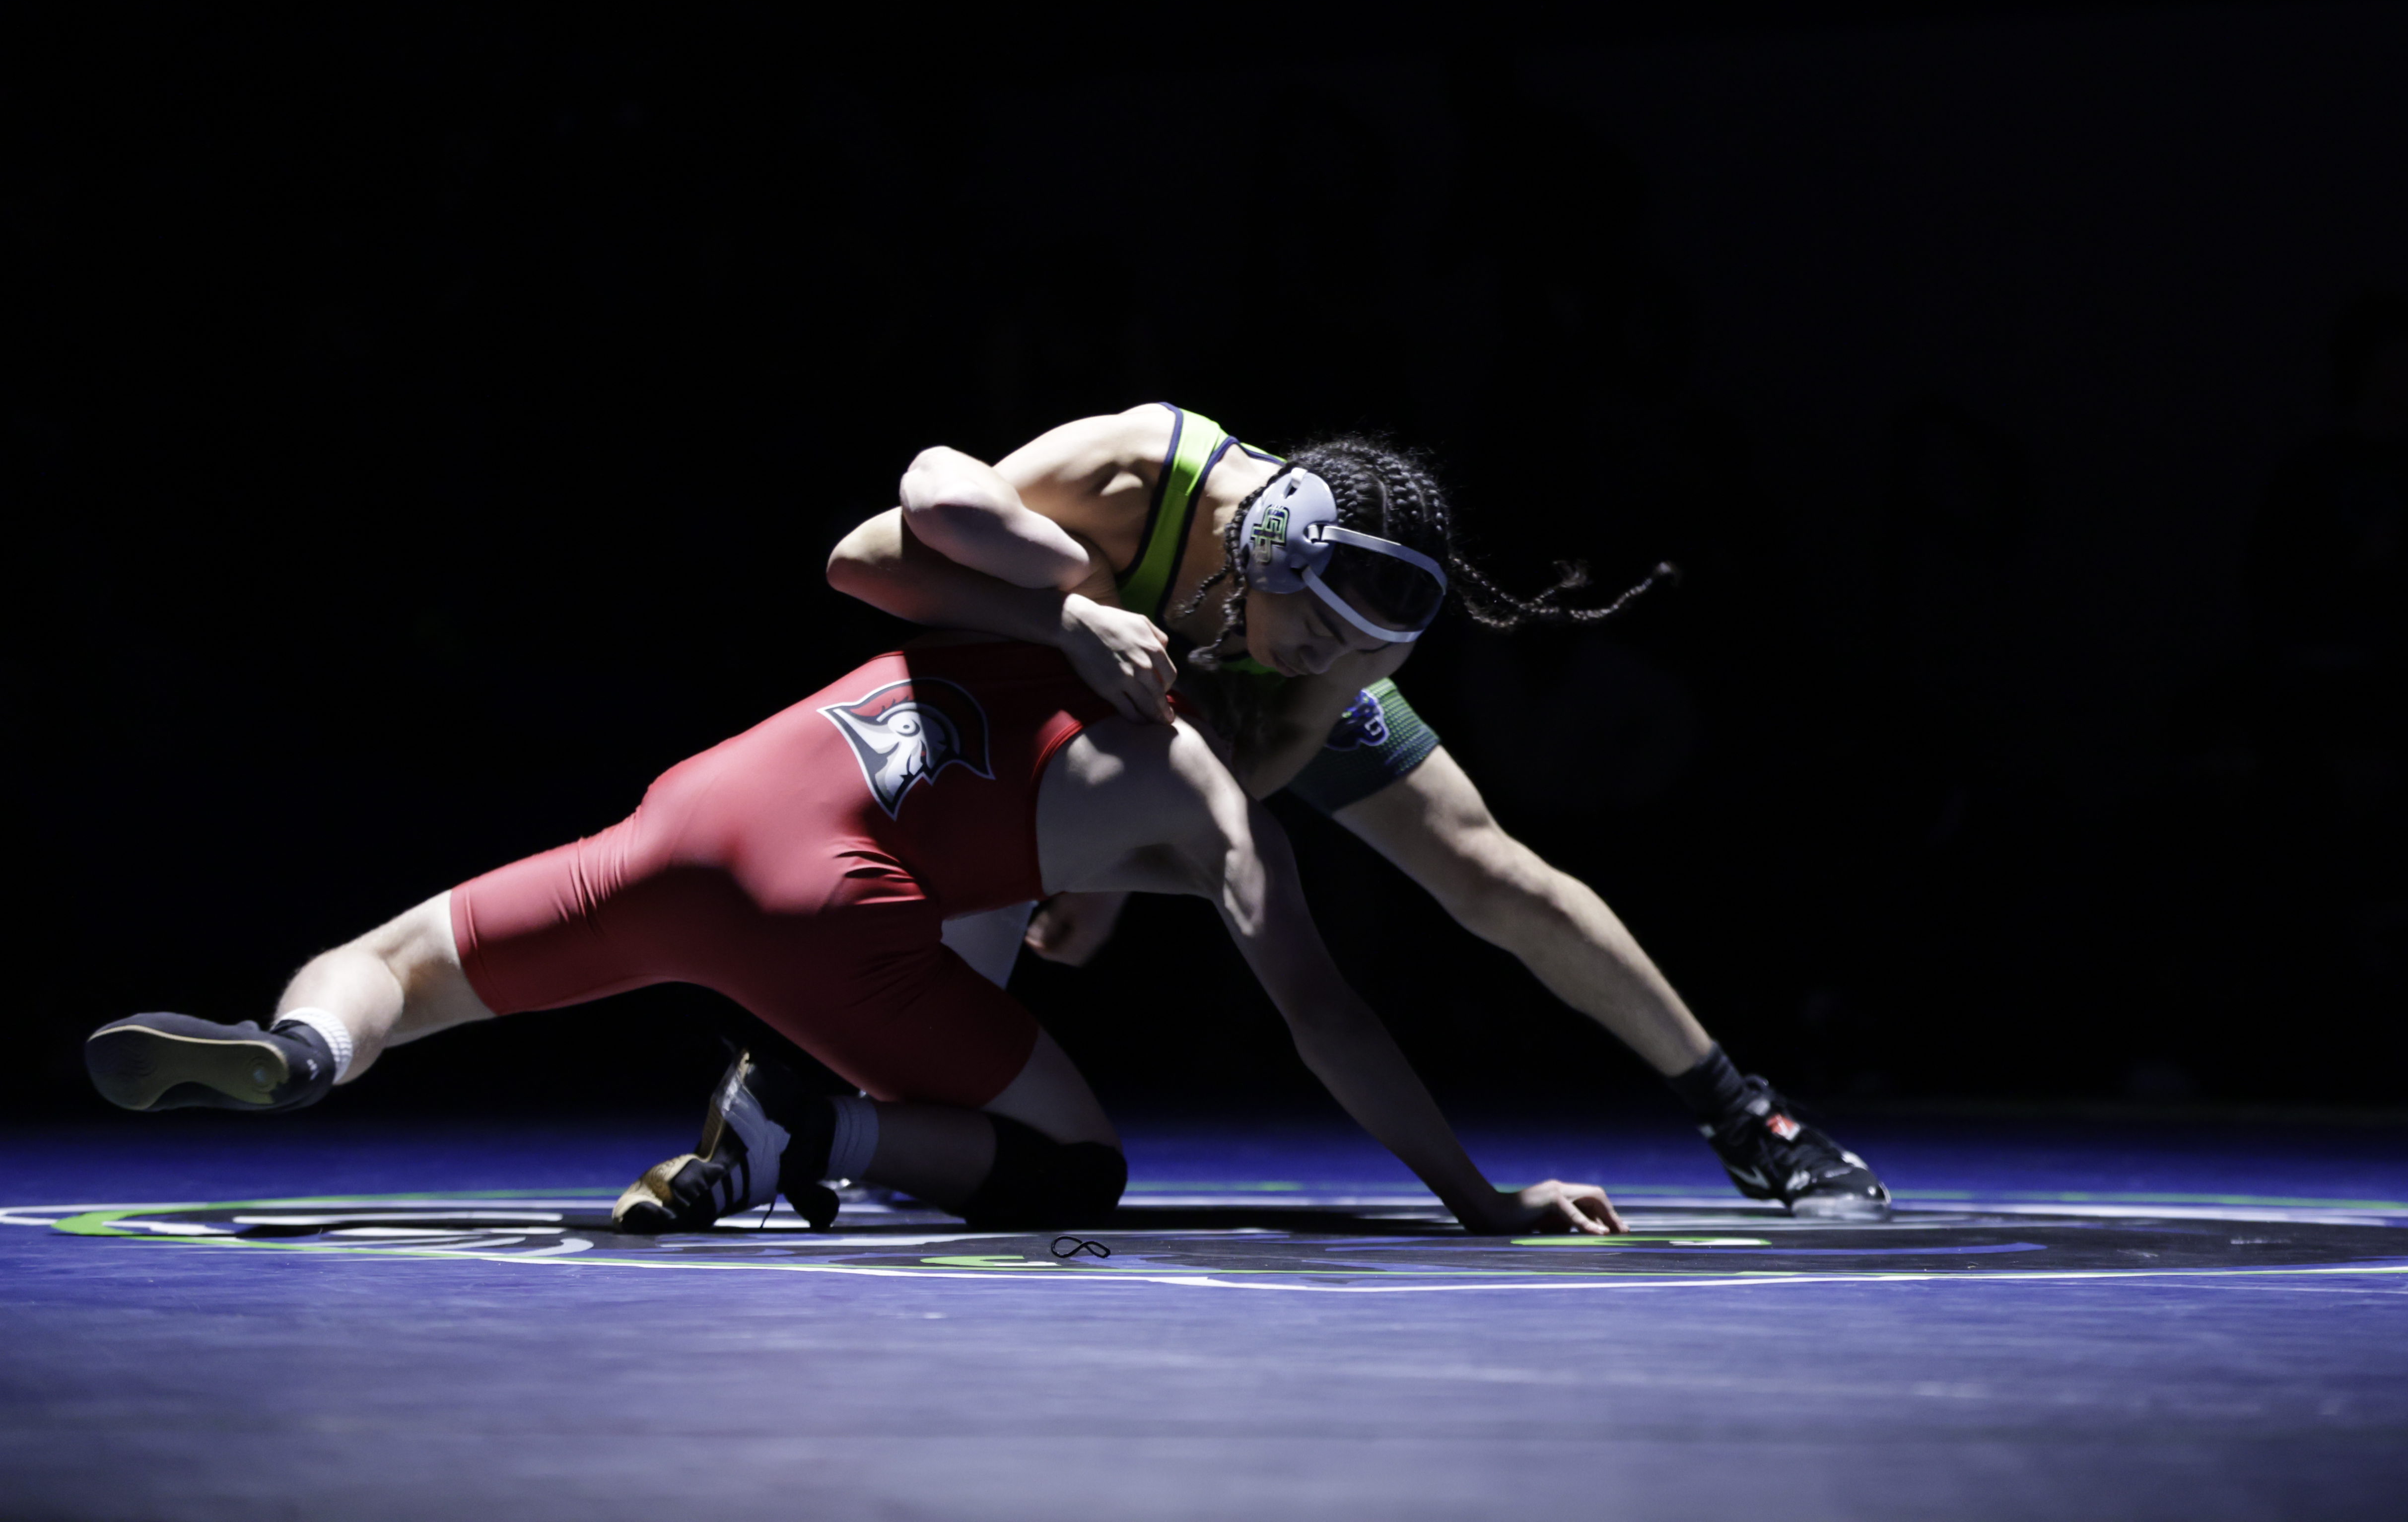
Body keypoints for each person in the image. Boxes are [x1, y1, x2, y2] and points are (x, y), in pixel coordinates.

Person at [84, 632, 1624, 1239]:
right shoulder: (1217, 791)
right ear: (1277, 717)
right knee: (1074, 1168)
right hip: (830, 914)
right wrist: (1477, 1199)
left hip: (695, 812)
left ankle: (297, 1051)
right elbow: (1324, 1015)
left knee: (404, 962)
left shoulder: (1031, 614)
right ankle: (817, 1124)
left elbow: (926, 520)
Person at [821, 401, 1890, 1217]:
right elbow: (868, 559)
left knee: (1490, 870)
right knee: (995, 829)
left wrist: (1113, 859)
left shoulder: (1338, 648)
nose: (1332, 658)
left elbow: (1253, 779)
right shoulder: (1134, 472)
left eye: (1364, 649)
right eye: (1322, 629)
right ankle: (907, 1107)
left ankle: (1745, 1110)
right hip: (1051, 665)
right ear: (1268, 549)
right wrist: (1065, 617)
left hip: (1195, 713)